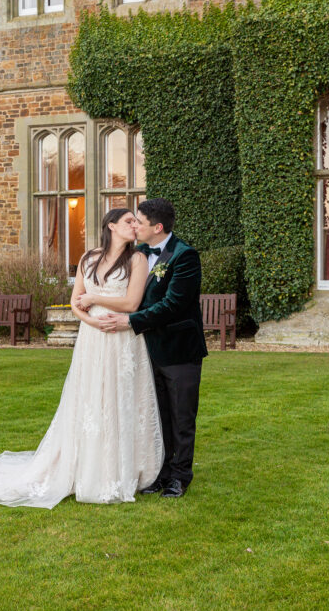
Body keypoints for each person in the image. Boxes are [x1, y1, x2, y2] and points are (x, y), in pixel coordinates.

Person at [0, 208, 164, 508]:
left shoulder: (137, 259)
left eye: (136, 221)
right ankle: (85, 465)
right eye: (129, 221)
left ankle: (121, 467)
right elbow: (74, 301)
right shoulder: (88, 258)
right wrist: (89, 320)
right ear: (111, 226)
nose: (135, 225)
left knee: (121, 398)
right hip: (93, 338)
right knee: (90, 398)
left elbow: (131, 302)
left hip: (123, 338)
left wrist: (95, 299)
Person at [98, 198, 207, 498]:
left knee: (181, 417)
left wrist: (130, 321)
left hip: (180, 350)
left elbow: (172, 305)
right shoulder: (140, 253)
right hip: (147, 351)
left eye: (139, 223)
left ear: (157, 227)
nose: (135, 227)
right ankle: (161, 472)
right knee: (159, 417)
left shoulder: (185, 256)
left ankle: (181, 477)